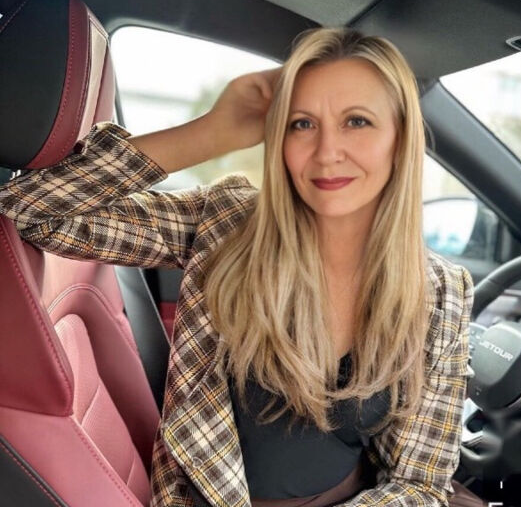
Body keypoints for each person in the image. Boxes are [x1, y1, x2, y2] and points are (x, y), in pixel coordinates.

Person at [0, 27, 478, 507]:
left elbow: (419, 482)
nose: (327, 151)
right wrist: (210, 133)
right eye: (302, 124)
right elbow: (32, 213)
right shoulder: (226, 223)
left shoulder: (443, 292)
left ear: (400, 138)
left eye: (357, 121)